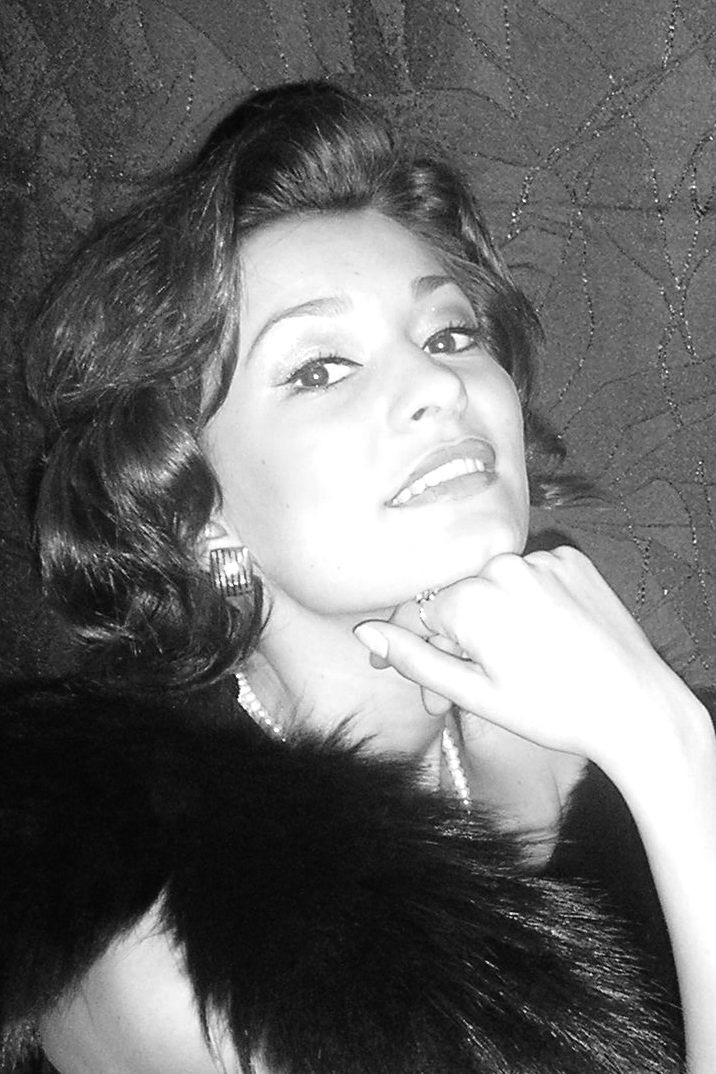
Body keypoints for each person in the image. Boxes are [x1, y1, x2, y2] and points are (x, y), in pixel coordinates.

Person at [4, 79, 715, 1072]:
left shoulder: (561, 727)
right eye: (320, 368)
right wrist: (674, 761)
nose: (437, 385)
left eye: (449, 334)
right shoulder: (183, 955)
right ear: (199, 515)